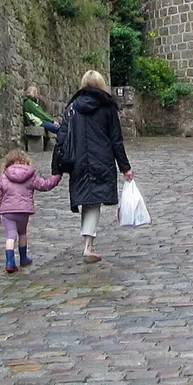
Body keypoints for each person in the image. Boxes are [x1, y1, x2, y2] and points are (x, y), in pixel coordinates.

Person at [56, 69, 133, 263]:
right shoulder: (107, 107)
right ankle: (88, 245)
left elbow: (62, 138)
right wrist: (125, 167)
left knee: (88, 200)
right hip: (101, 160)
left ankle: (87, 243)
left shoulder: (72, 107)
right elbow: (116, 140)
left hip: (79, 161)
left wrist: (57, 167)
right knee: (93, 201)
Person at [0, 149, 62, 273]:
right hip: (23, 211)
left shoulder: (4, 177)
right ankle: (23, 258)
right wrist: (57, 176)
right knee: (22, 233)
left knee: (10, 236)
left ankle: (10, 262)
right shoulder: (30, 176)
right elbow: (45, 185)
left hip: (7, 212)